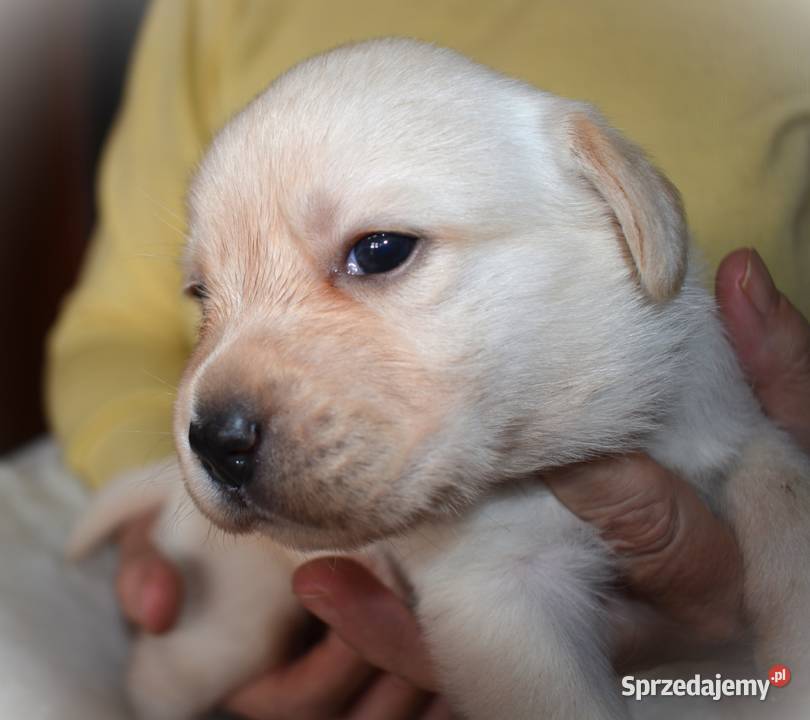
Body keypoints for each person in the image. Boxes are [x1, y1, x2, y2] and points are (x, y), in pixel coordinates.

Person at [47, 1, 810, 717]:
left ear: (624, 209)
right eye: (205, 293)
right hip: (285, 573)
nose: (222, 394)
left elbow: (747, 454)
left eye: (378, 253)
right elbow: (113, 327)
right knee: (198, 657)